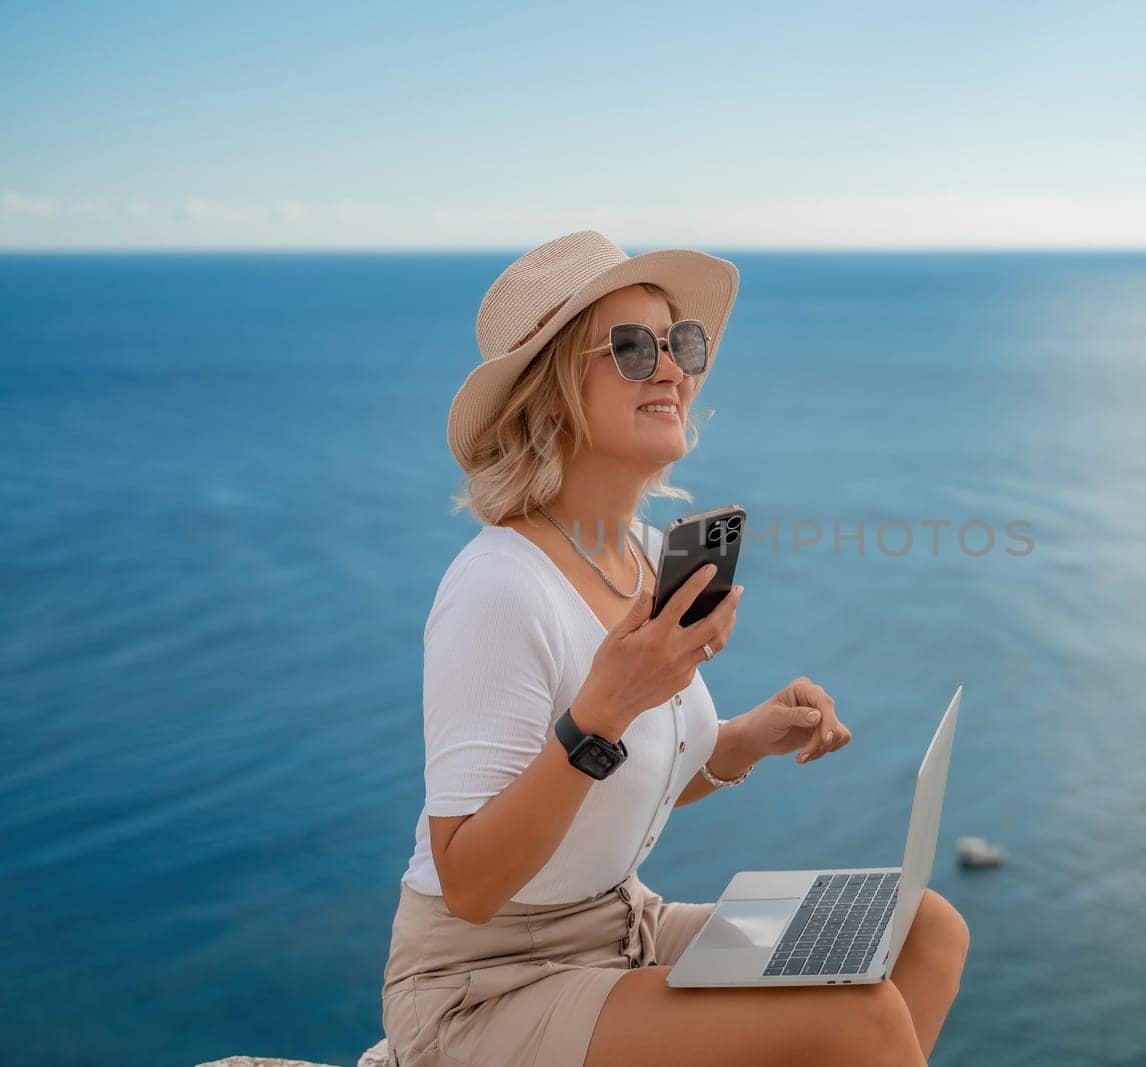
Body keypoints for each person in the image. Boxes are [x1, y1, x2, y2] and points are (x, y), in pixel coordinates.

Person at [380, 230, 969, 1067]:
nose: (673, 369)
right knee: (852, 1016)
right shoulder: (498, 587)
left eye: (679, 343)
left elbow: (617, 783)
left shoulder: (653, 559)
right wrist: (607, 706)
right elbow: (470, 882)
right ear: (551, 395)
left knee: (923, 929)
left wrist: (742, 741)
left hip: (621, 926)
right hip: (487, 982)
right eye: (630, 348)